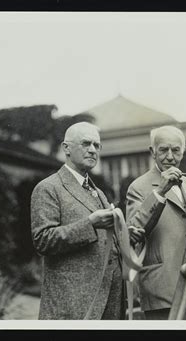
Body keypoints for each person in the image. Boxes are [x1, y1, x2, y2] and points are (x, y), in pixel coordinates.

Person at [126, 126, 186, 320]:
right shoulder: (138, 187)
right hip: (163, 284)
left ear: (183, 151)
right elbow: (133, 231)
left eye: (176, 150)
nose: (170, 156)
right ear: (152, 152)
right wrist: (160, 191)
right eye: (163, 150)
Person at [30, 122, 124, 320]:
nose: (92, 150)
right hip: (73, 305)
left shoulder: (98, 192)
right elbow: (42, 240)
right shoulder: (48, 188)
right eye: (85, 144)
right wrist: (90, 224)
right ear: (66, 148)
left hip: (110, 302)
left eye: (97, 145)